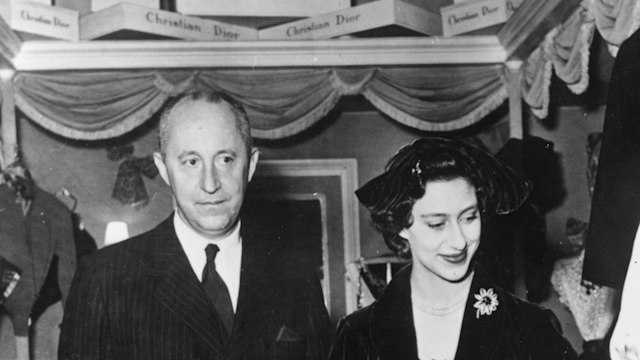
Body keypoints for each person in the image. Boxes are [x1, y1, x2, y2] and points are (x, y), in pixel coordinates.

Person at [58, 91, 332, 360]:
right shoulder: (105, 279)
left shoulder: (296, 277)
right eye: (191, 162)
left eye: (225, 159)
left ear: (250, 166)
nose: (210, 184)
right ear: (164, 169)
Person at [328, 137, 577, 360]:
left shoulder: (530, 326)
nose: (459, 241)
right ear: (401, 225)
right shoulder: (358, 334)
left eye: (469, 217)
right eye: (437, 224)